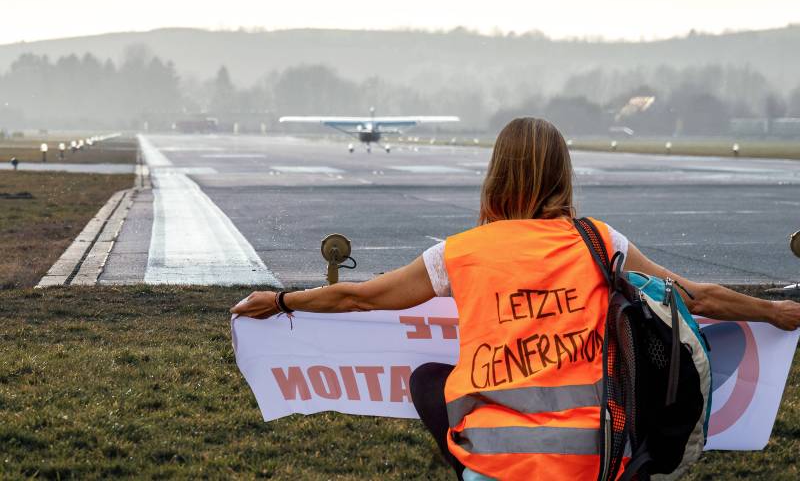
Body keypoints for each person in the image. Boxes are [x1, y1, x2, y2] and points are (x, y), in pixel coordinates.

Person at [231, 118, 800, 481]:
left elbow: (360, 298)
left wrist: (282, 301)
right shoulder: (600, 242)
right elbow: (696, 298)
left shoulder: (461, 252)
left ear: (495, 175)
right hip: (600, 456)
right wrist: (777, 313)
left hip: (496, 462)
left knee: (430, 379)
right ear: (563, 174)